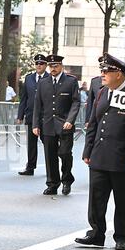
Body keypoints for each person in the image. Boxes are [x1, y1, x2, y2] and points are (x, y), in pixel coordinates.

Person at [75, 53, 125, 250]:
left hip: (123, 157)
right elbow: (94, 122)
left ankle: (122, 236)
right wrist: (88, 150)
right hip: (100, 155)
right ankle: (96, 233)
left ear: (118, 74)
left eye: (106, 71)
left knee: (124, 200)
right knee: (96, 199)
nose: (102, 74)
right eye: (101, 71)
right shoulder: (102, 92)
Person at [32, 54, 80, 196]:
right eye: (51, 66)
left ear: (61, 66)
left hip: (65, 124)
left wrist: (70, 120)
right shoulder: (43, 82)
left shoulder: (71, 81)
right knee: (50, 155)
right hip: (47, 124)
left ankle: (67, 180)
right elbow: (37, 105)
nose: (53, 68)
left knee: (64, 153)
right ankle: (52, 184)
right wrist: (36, 124)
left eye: (56, 66)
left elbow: (76, 102)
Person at [17, 54, 49, 176]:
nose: (39, 66)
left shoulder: (49, 77)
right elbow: (24, 98)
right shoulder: (29, 78)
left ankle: (50, 168)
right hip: (31, 115)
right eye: (37, 63)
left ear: (45, 65)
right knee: (31, 144)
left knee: (47, 143)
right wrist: (20, 115)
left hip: (45, 117)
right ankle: (30, 167)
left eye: (41, 63)